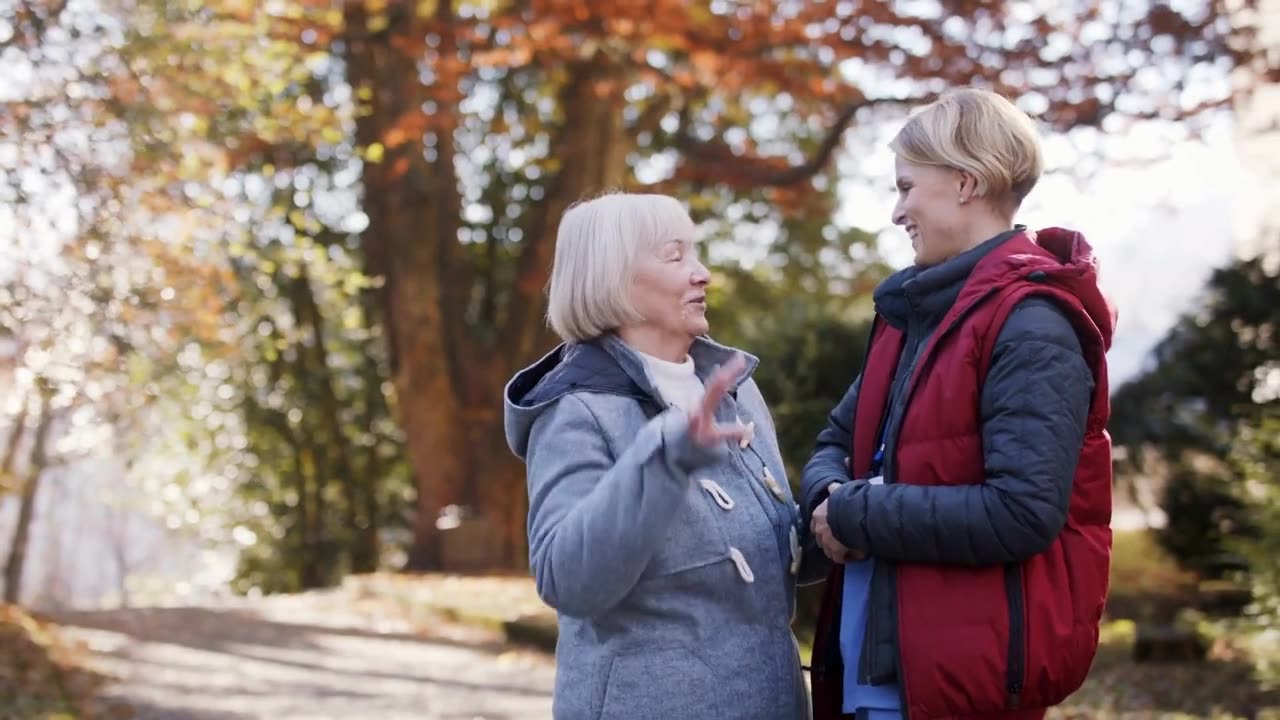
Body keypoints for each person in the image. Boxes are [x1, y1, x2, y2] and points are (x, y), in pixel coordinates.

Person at [802, 88, 1116, 720]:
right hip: (871, 675)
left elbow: (1021, 511)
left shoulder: (1032, 325)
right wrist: (826, 501)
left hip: (956, 686)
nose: (897, 212)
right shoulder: (910, 315)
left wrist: (855, 513)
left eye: (906, 187)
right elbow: (833, 444)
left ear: (966, 182)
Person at [503, 192, 819, 719]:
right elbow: (567, 580)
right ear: (612, 278)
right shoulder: (576, 410)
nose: (703, 274)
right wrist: (664, 460)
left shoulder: (732, 387)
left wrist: (845, 518)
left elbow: (766, 552)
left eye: (695, 254)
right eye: (676, 257)